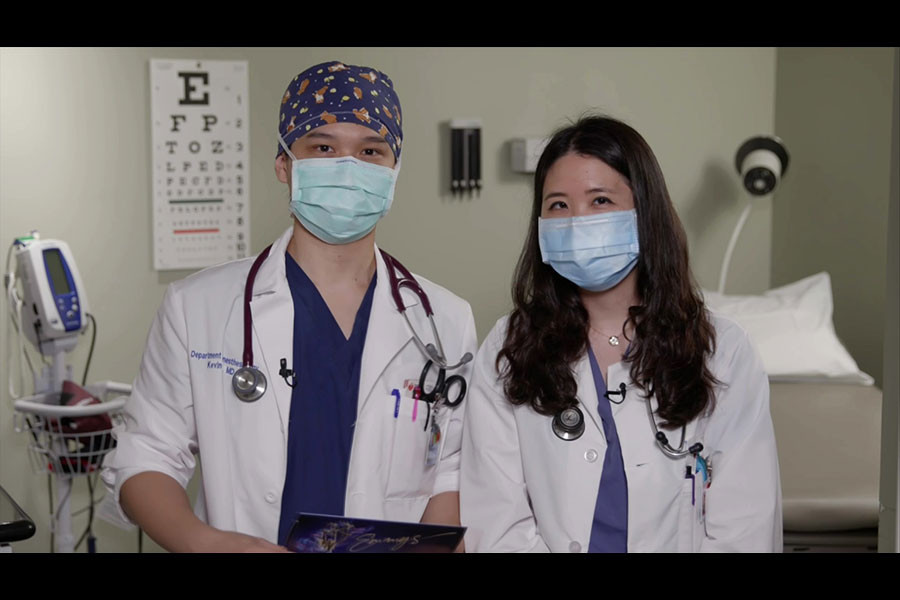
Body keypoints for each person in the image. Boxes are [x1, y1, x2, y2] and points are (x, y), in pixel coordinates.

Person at [102, 61, 476, 552]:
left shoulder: (445, 321)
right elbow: (144, 455)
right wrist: (201, 542)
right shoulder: (199, 307)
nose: (348, 167)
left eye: (371, 150)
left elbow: (450, 472)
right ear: (285, 164)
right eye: (323, 147)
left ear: (394, 170)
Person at [459, 115, 782, 552]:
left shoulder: (721, 351)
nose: (577, 222)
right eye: (558, 205)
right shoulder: (508, 347)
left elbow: (745, 526)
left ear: (643, 211)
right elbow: (495, 520)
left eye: (600, 201)